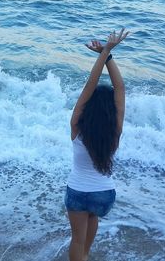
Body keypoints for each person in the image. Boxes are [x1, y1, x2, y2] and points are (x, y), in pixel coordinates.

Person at [65, 28, 128, 261]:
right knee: (87, 238)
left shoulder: (76, 126)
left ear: (89, 107)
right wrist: (108, 55)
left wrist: (104, 53)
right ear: (111, 112)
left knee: (77, 241)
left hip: (79, 192)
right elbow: (120, 89)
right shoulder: (115, 130)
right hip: (104, 195)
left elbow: (88, 86)